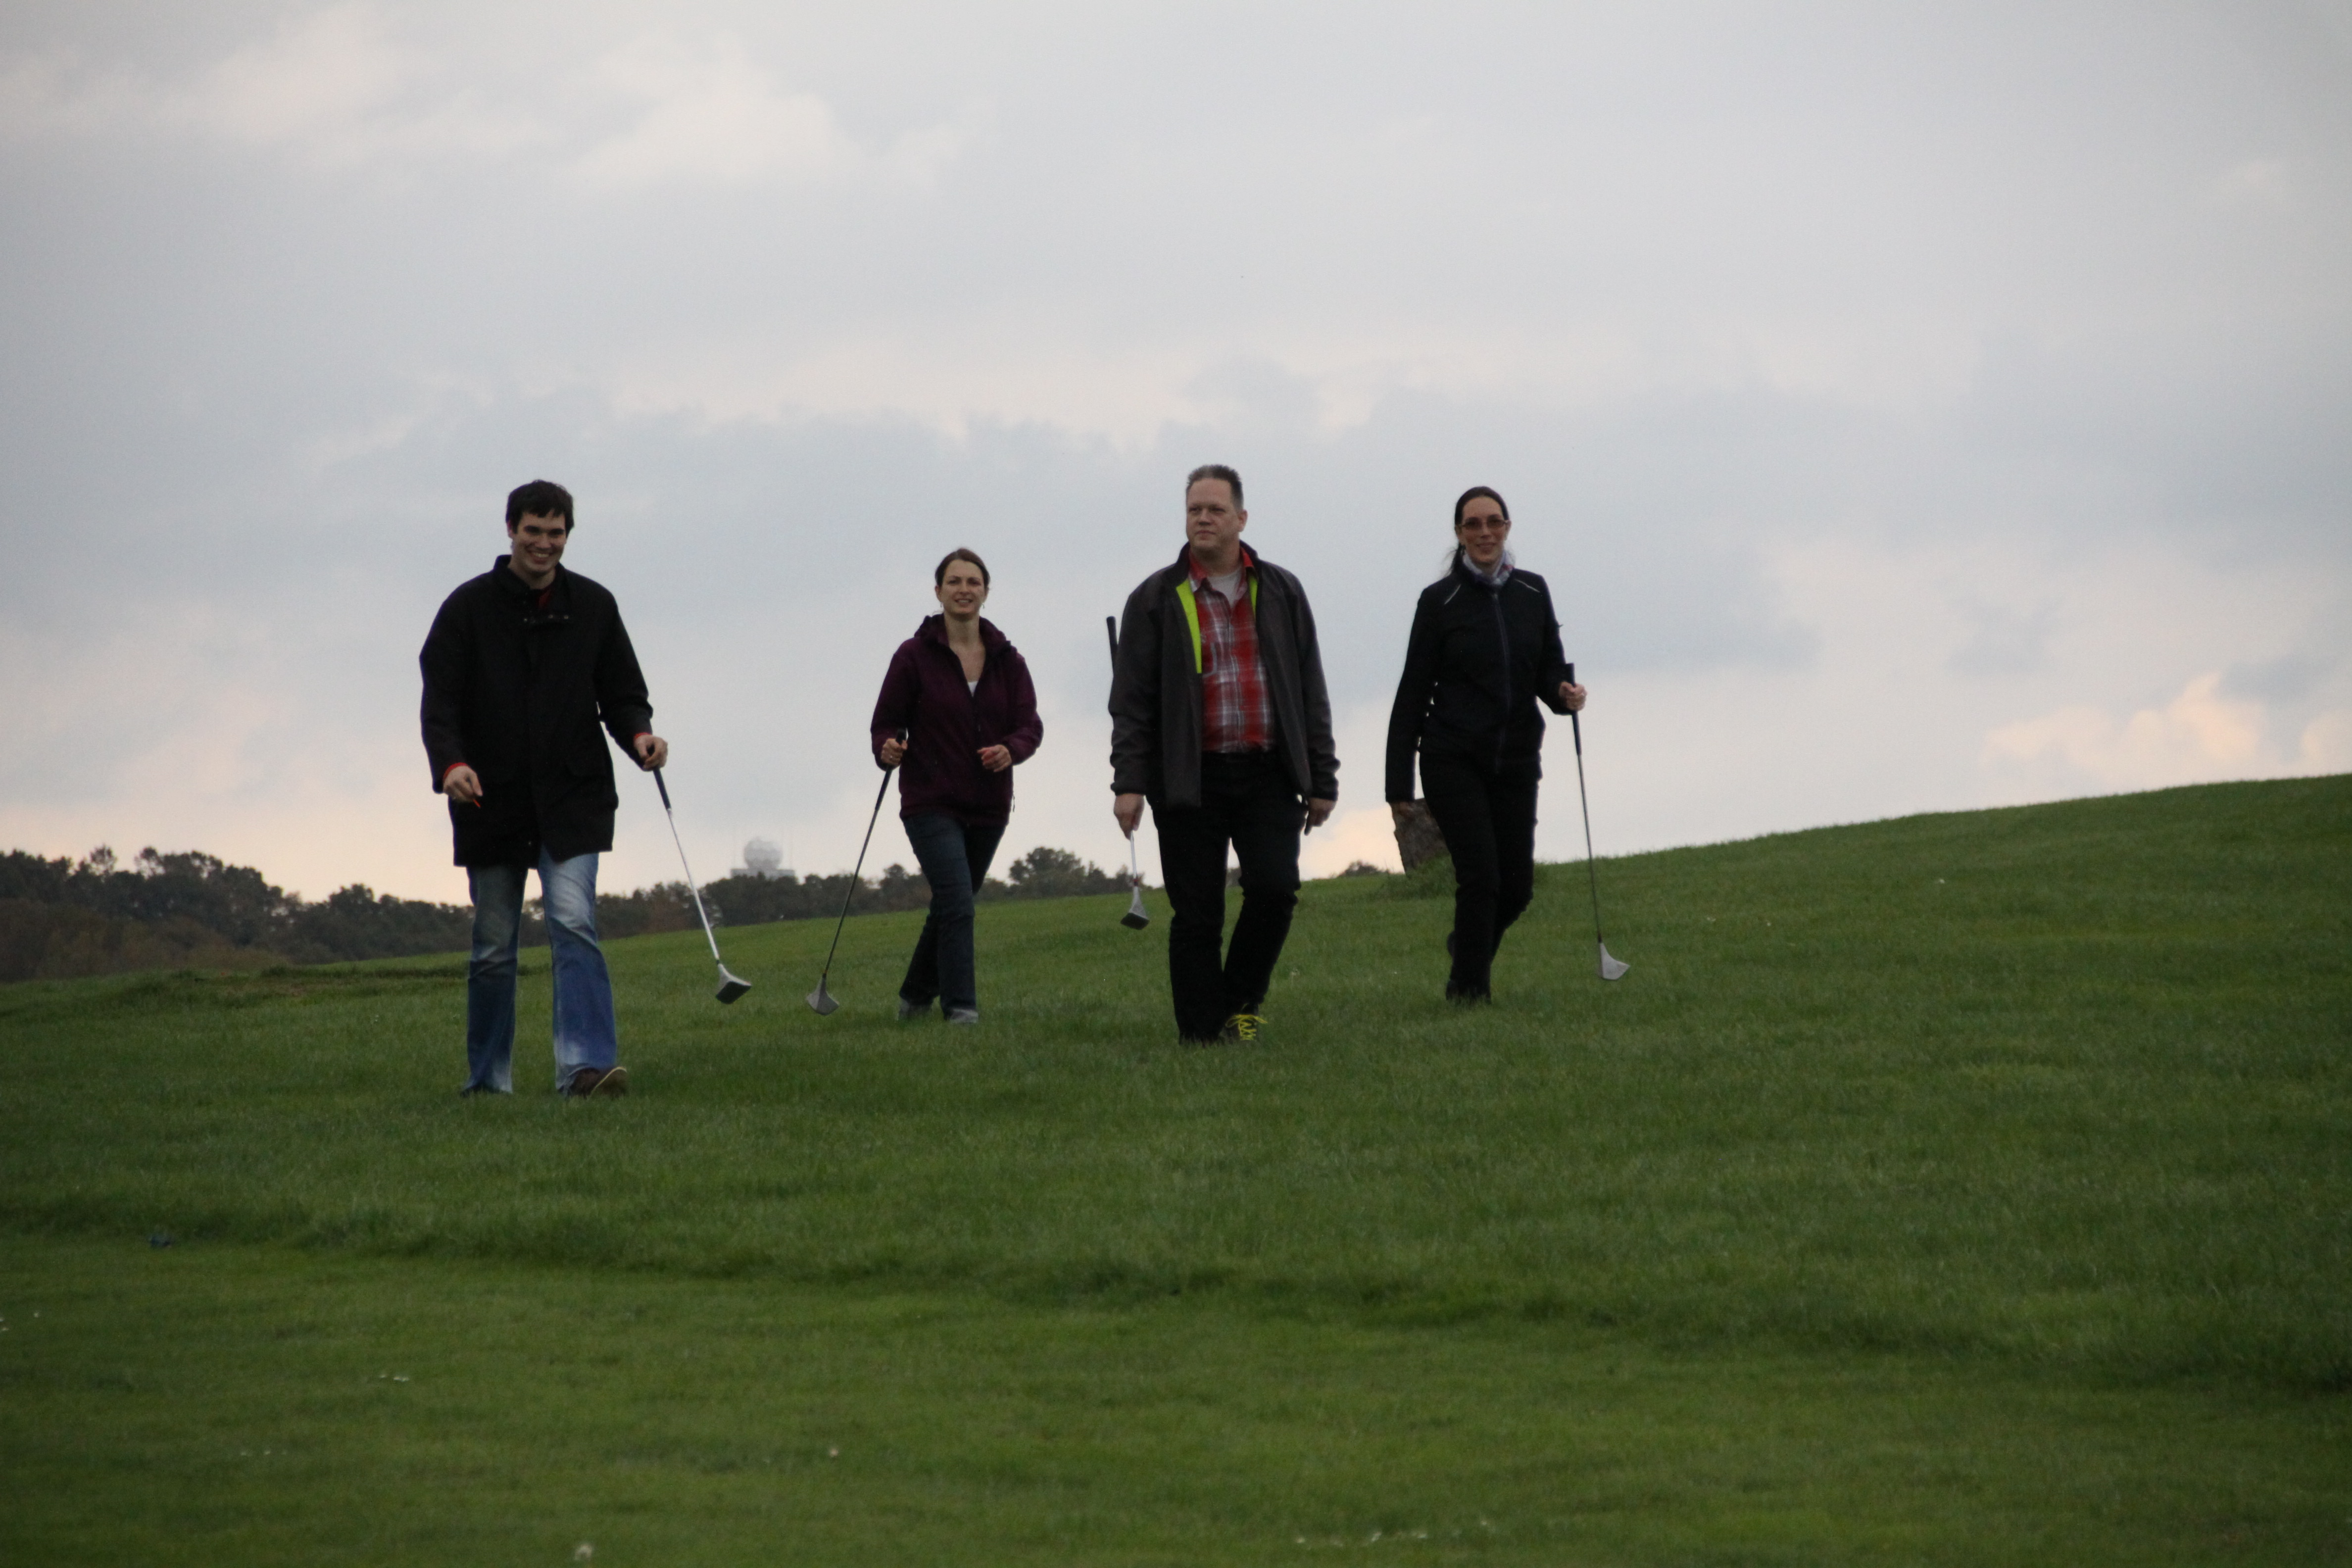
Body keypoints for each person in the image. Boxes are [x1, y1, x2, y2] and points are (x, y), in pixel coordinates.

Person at [419, 480, 667, 1097]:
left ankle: (584, 1070)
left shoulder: (595, 606)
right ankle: (487, 1081)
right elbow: (440, 703)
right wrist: (451, 766)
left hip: (574, 796)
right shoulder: (466, 609)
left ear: (567, 536)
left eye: (556, 533)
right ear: (511, 530)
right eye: (533, 531)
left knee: (574, 923)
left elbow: (623, 694)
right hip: (489, 799)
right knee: (493, 947)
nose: (544, 543)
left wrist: (641, 736)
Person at [1111, 464, 1338, 1043]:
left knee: (1275, 892)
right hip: (1188, 780)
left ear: (1241, 518)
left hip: (1268, 774)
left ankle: (1238, 1004)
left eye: (1215, 510)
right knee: (1197, 915)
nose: (1203, 519)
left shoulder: (1282, 590)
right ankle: (1200, 1037)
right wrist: (1129, 782)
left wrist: (1322, 777)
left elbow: (1310, 689)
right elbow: (1131, 703)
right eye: (1195, 510)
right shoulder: (1154, 599)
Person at [1384, 486, 1586, 1003]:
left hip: (1516, 757)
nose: (1484, 532)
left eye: (1494, 522)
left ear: (1507, 528)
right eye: (1473, 524)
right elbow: (1413, 691)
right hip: (1452, 757)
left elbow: (1548, 670)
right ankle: (1468, 990)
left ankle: (1466, 948)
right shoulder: (1439, 602)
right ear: (1459, 534)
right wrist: (1398, 785)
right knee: (1481, 877)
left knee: (1517, 887)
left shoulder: (1533, 592)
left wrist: (1564, 695)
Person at [871, 548, 1043, 1025]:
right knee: (958, 904)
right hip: (930, 802)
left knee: (951, 904)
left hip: (989, 805)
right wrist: (887, 747)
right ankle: (962, 1010)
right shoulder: (913, 656)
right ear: (938, 592)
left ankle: (914, 997)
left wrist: (1011, 749)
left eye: (973, 582)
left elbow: (1030, 726)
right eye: (954, 582)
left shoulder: (1009, 660)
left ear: (986, 592)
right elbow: (885, 723)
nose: (964, 590)